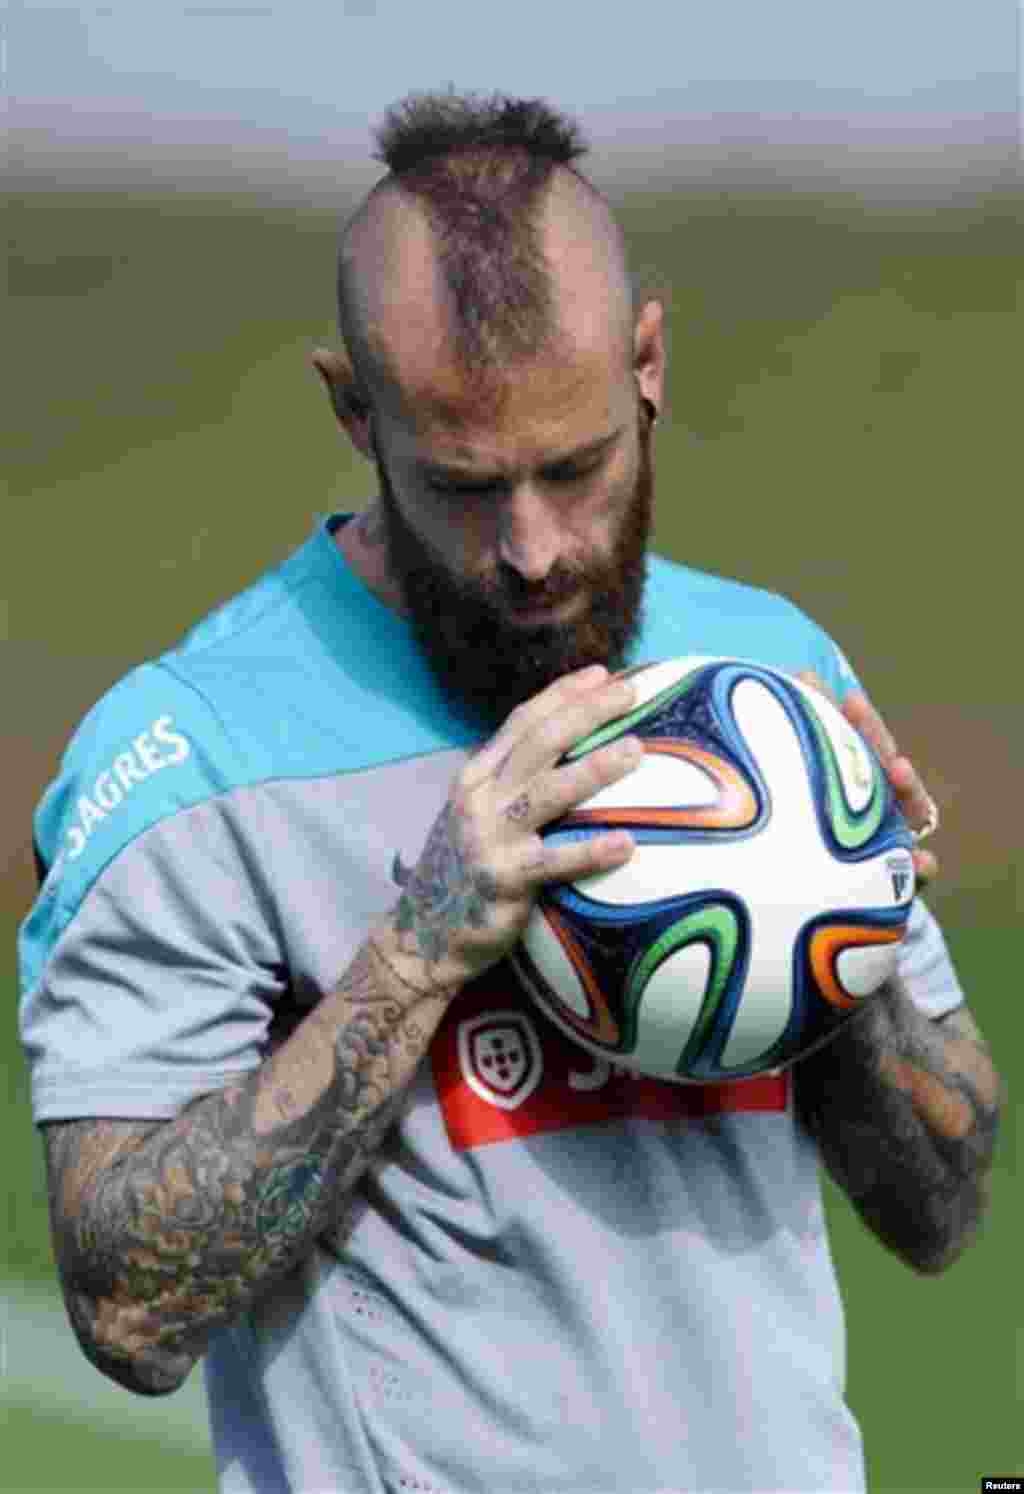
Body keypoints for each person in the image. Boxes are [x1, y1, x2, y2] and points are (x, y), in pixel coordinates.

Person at [18, 92, 1002, 1494]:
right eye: (466, 485)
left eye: (579, 467)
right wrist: (421, 946)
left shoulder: (771, 684)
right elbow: (127, 1307)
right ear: (355, 410)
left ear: (648, 364)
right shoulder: (194, 764)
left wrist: (838, 944)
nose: (534, 548)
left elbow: (945, 1209)